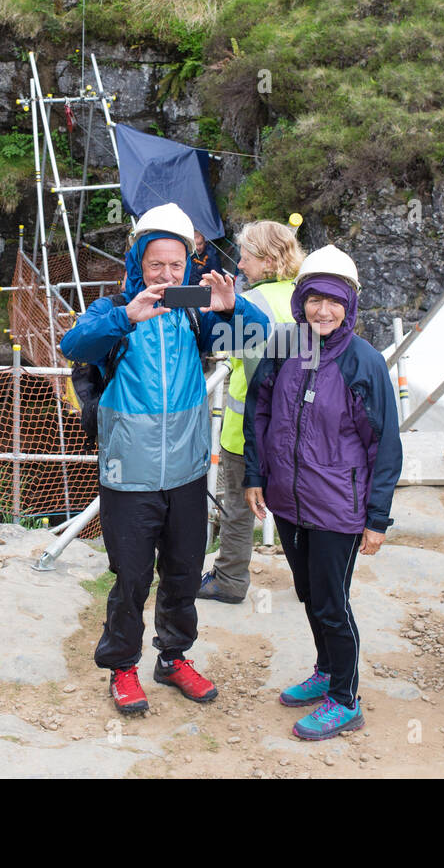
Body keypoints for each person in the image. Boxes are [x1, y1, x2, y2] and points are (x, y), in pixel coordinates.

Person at [59, 203, 269, 715]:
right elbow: (73, 344)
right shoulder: (113, 310)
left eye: (177, 266)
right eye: (157, 265)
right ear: (138, 262)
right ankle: (123, 668)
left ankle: (172, 659)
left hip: (185, 472)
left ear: (188, 266)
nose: (167, 275)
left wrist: (231, 307)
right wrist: (126, 315)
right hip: (127, 476)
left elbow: (258, 337)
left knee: (182, 572)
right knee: (131, 578)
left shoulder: (196, 316)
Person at [243, 245, 402, 740]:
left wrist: (377, 518)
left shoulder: (364, 362)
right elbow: (258, 412)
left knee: (332, 600)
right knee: (310, 593)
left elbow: (385, 444)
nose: (323, 310)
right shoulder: (283, 345)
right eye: (314, 299)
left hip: (339, 507)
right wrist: (254, 474)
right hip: (288, 501)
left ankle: (345, 698)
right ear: (301, 300)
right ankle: (327, 670)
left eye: (335, 301)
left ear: (350, 305)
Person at [198, 219, 305, 603]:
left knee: (239, 507)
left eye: (245, 258)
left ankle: (229, 579)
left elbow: (223, 343)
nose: (240, 266)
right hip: (295, 426)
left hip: (246, 429)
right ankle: (310, 581)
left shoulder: (253, 303)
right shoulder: (306, 297)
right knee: (297, 502)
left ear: (267, 259)